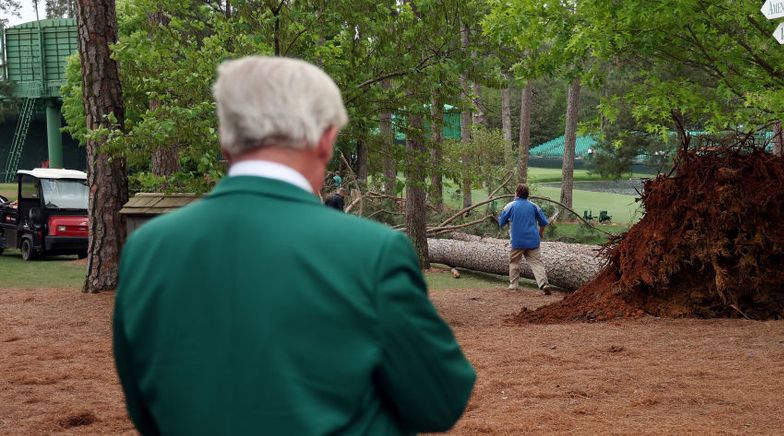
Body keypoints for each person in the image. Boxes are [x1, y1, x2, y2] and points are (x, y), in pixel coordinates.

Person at [113, 56, 475, 435]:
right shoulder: (372, 252)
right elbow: (439, 401)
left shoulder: (147, 249)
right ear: (324, 138)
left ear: (225, 139)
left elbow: (143, 408)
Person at [498, 184, 552, 295]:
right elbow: (543, 222)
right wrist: (540, 233)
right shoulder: (534, 206)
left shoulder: (510, 206)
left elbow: (501, 222)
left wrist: (508, 220)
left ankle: (514, 285)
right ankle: (543, 284)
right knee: (536, 263)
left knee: (514, 262)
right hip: (533, 241)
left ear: (516, 193)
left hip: (517, 241)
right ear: (527, 194)